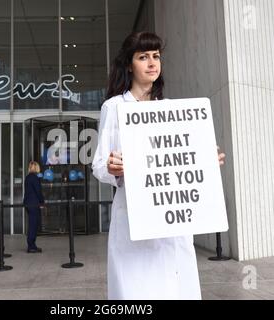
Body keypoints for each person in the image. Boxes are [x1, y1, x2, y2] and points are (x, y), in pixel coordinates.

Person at [92, 31, 226, 300]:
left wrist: (206, 161)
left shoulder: (172, 109)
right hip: (132, 216)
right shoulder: (114, 107)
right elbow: (98, 164)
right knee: (136, 292)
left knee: (175, 289)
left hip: (171, 219)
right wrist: (112, 167)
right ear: (130, 64)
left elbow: (181, 157)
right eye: (143, 57)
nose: (152, 63)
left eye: (156, 56)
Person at [23, 161, 45, 253]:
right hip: (33, 204)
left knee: (32, 224)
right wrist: (42, 202)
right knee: (33, 225)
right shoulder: (35, 178)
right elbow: (38, 191)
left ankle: (32, 245)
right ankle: (31, 246)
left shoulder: (27, 177)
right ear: (36, 168)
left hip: (28, 203)